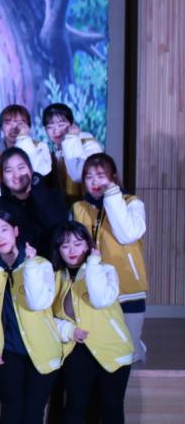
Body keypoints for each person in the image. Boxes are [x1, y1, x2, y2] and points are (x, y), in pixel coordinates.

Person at [0, 211, 63, 424]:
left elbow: (39, 303)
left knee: (34, 412)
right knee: (11, 409)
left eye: (4, 230)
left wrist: (31, 266)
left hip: (42, 348)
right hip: (7, 350)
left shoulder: (41, 263)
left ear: (16, 231)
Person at [51, 222, 133, 424]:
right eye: (65, 246)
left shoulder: (105, 270)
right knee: (75, 406)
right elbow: (48, 318)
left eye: (78, 244)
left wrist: (93, 264)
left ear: (88, 245)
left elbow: (100, 299)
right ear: (58, 250)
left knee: (111, 407)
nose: (72, 251)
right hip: (76, 348)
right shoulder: (55, 277)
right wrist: (68, 330)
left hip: (112, 349)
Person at [71, 153, 148, 363]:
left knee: (129, 350)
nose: (94, 182)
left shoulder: (132, 203)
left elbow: (127, 234)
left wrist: (112, 194)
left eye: (100, 175)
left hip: (128, 288)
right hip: (95, 287)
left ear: (113, 176)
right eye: (89, 176)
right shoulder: (79, 208)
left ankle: (137, 351)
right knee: (102, 348)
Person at [0, 147, 67, 256]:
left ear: (31, 170)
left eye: (20, 167)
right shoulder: (0, 206)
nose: (16, 175)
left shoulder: (53, 195)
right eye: (9, 170)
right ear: (2, 178)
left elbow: (57, 226)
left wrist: (38, 191)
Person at [42, 103, 103, 206]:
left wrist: (71, 139)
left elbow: (78, 175)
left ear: (72, 123)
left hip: (89, 209)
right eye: (50, 127)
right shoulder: (54, 152)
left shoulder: (88, 143)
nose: (56, 131)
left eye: (61, 125)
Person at [0, 104, 51, 184]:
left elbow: (38, 174)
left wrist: (23, 139)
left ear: (29, 128)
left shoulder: (40, 147)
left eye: (20, 123)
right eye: (8, 123)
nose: (14, 128)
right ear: (1, 127)